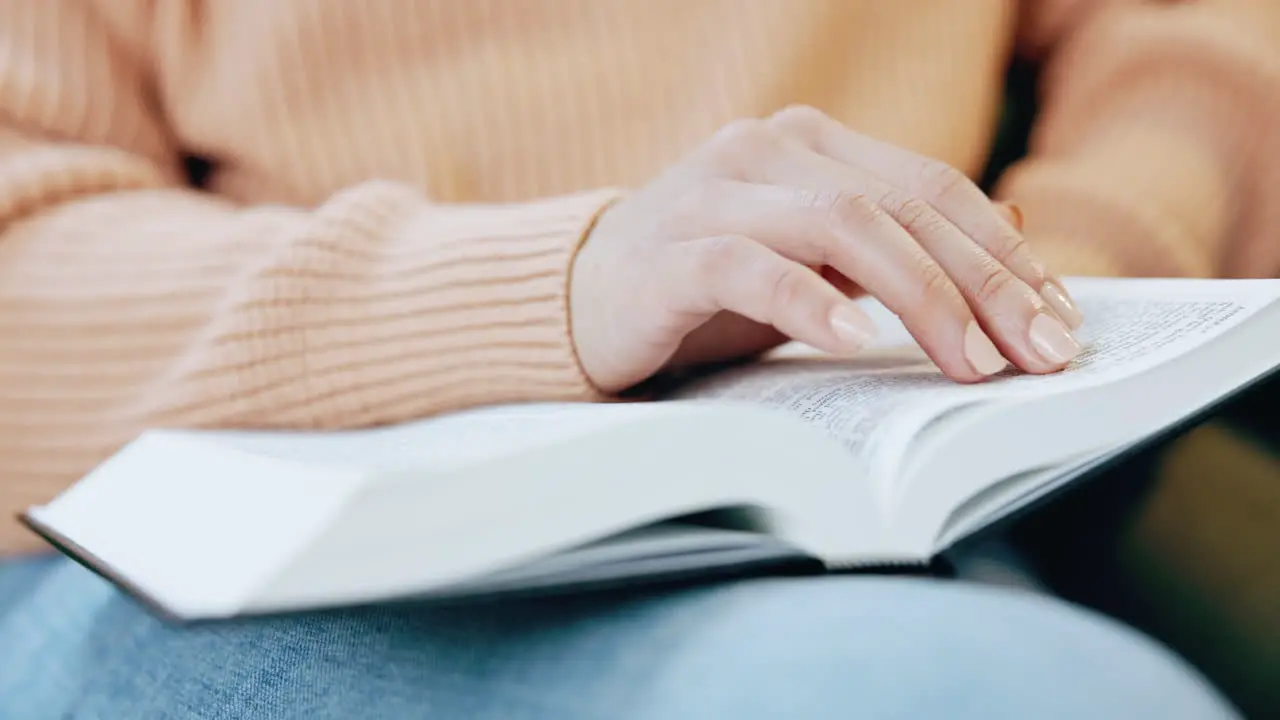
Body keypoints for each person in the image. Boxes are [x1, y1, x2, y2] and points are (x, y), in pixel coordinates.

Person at [0, 0, 1274, 716]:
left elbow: (1195, 29)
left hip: (858, 469)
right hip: (245, 540)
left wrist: (1052, 261)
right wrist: (562, 278)